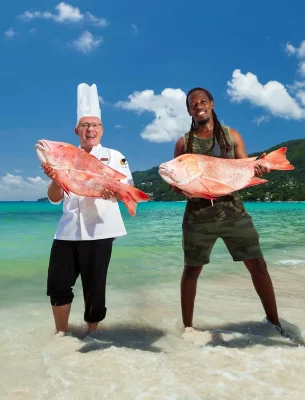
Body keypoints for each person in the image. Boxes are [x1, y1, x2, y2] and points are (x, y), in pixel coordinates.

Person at [174, 87, 287, 336]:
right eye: (193, 103)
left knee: (258, 265)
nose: (199, 105)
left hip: (233, 211)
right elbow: (176, 183)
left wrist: (258, 169)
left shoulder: (231, 135)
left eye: (203, 101)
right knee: (191, 269)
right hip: (197, 216)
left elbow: (244, 165)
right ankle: (188, 329)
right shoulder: (184, 143)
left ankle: (274, 323)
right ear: (188, 110)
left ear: (212, 104)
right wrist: (181, 188)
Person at [42, 83, 133, 335]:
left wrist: (112, 192)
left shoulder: (115, 156)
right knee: (57, 285)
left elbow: (127, 187)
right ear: (76, 130)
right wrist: (55, 176)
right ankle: (61, 336)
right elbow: (53, 198)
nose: (90, 129)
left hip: (100, 231)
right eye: (84, 125)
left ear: (102, 129)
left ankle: (92, 338)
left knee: (95, 288)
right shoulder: (65, 156)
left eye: (94, 125)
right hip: (66, 231)